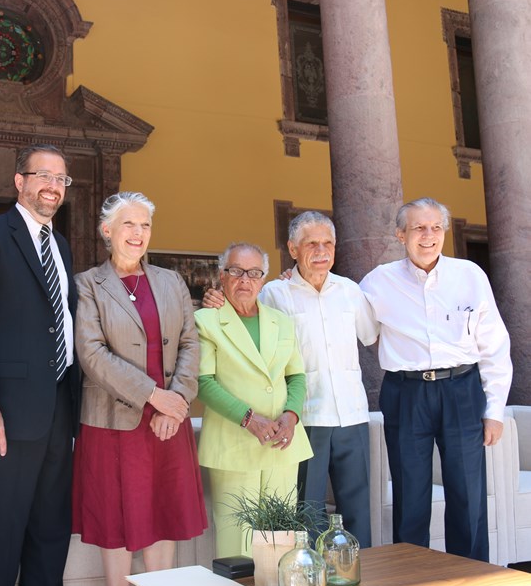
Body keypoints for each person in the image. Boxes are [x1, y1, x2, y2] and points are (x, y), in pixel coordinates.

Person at [202, 212, 376, 547]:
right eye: (312, 243)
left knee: (357, 510)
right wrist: (217, 299)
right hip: (304, 418)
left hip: (352, 414)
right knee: (306, 513)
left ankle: (358, 577)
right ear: (293, 249)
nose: (321, 251)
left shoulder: (351, 292)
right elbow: (242, 312)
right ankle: (309, 577)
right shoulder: (274, 293)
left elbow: (373, 336)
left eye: (328, 243)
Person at [0, 144, 80, 586]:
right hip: (6, 415)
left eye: (61, 179)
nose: (52, 186)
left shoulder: (61, 246)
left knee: (50, 533)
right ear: (19, 181)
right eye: (43, 175)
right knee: (2, 533)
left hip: (59, 408)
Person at [359, 197, 512, 562]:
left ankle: (472, 579)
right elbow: (359, 328)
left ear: (443, 232)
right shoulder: (377, 281)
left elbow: (494, 345)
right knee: (411, 497)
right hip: (406, 392)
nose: (428, 236)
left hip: (462, 390)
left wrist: (494, 410)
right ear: (401, 235)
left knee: (468, 494)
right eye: (418, 228)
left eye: (435, 228)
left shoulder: (470, 276)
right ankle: (415, 581)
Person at [72, 192, 207, 586]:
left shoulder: (170, 281)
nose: (138, 233)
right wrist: (154, 396)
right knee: (113, 518)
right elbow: (91, 353)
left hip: (169, 421)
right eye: (128, 224)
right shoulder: (87, 285)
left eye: (145, 225)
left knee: (163, 513)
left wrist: (177, 402)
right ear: (106, 231)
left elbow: (190, 343)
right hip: (111, 420)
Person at [194, 242, 312, 558]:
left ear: (263, 279)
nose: (245, 280)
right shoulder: (206, 321)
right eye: (236, 271)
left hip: (281, 442)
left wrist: (291, 415)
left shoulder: (281, 321)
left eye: (254, 273)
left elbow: (297, 376)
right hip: (234, 441)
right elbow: (203, 382)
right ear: (222, 275)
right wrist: (248, 418)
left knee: (282, 538)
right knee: (238, 546)